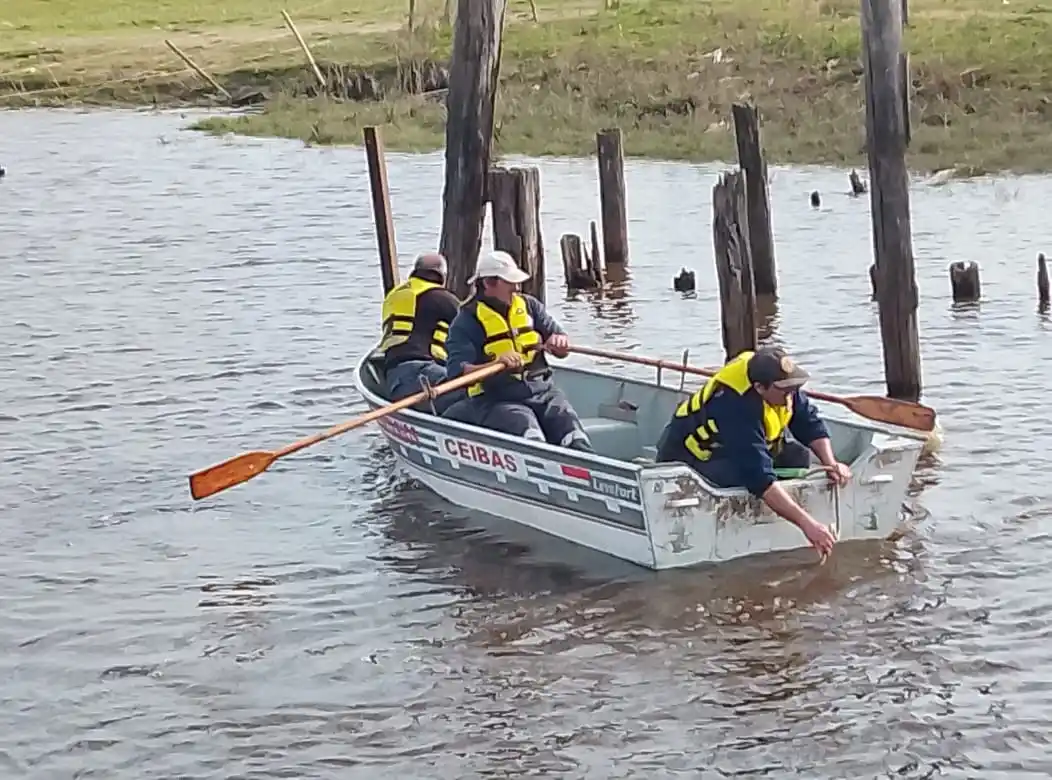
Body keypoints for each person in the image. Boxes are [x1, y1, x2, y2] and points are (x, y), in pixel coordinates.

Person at [654, 347, 852, 558]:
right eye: (784, 390)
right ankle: (747, 528)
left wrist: (832, 464)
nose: (790, 396)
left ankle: (784, 512)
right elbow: (758, 475)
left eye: (793, 388)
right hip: (694, 458)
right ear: (759, 387)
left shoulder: (784, 387)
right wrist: (807, 524)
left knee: (797, 456)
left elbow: (809, 423)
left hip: (740, 447)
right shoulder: (735, 406)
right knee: (740, 477)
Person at [442, 250, 593, 452]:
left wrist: (559, 342)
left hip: (543, 392)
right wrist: (495, 365)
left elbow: (559, 347)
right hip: (496, 399)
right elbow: (457, 374)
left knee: (568, 424)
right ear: (488, 284)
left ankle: (586, 463)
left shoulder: (530, 306)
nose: (517, 287)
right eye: (510, 282)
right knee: (526, 428)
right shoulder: (466, 322)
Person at [378, 252, 462, 415]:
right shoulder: (441, 298)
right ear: (443, 276)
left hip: (394, 380)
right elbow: (474, 328)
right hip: (426, 375)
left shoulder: (394, 295)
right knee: (478, 397)